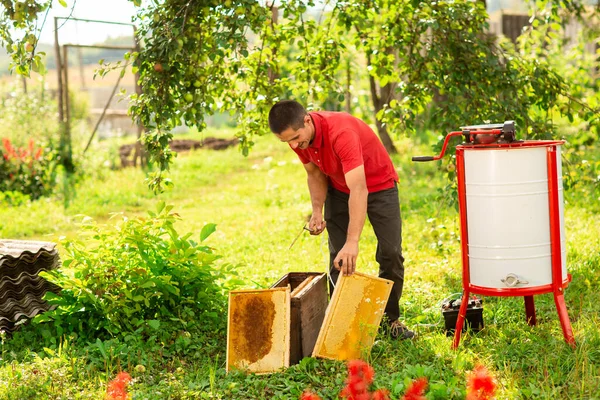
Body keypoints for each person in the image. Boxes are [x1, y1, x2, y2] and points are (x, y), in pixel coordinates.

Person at [268, 100, 414, 340]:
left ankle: (391, 320)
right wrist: (317, 210)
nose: (294, 145)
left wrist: (353, 241)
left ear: (307, 120)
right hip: (338, 186)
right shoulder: (299, 139)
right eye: (287, 142)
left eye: (295, 138)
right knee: (339, 257)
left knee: (390, 252)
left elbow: (359, 189)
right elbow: (314, 173)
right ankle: (343, 323)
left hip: (379, 186)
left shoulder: (340, 133)